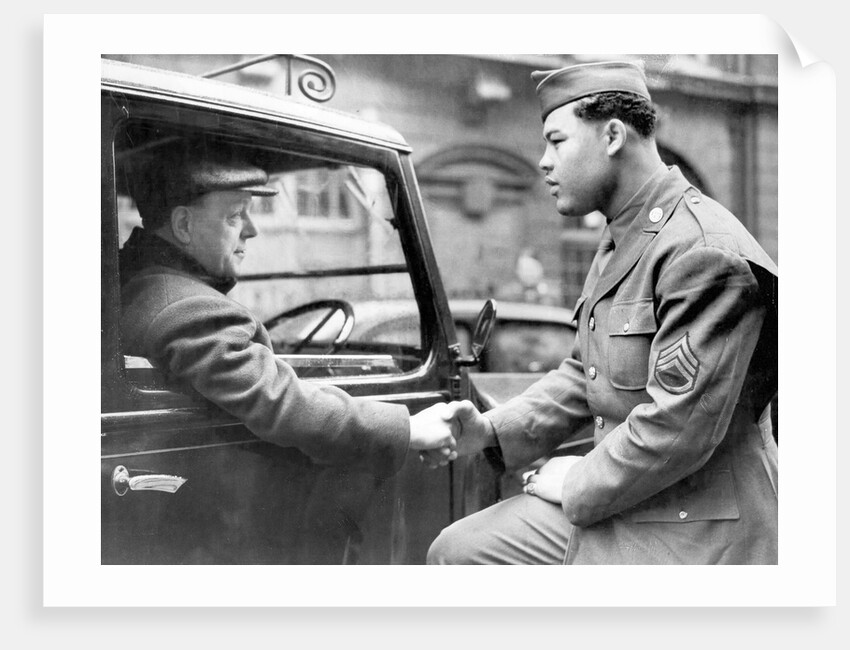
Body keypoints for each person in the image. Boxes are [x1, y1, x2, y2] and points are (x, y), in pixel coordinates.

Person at [427, 61, 779, 564]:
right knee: (458, 552)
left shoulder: (702, 251)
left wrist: (575, 479)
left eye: (557, 141)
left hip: (699, 517)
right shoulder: (624, 235)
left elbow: (678, 428)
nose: (543, 162)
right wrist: (491, 429)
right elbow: (585, 373)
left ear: (612, 136)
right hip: (635, 494)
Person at [119, 141, 456, 480]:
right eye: (235, 215)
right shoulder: (190, 309)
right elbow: (281, 401)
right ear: (183, 225)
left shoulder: (140, 285)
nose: (252, 230)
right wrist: (408, 429)